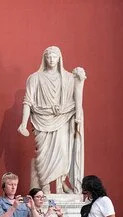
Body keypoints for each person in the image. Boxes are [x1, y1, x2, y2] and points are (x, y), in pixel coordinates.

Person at [18, 46, 86, 194]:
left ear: (59, 58)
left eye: (54, 56)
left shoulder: (68, 78)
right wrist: (23, 124)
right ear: (44, 58)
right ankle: (45, 188)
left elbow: (76, 100)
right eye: (48, 56)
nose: (51, 59)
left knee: (63, 153)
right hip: (41, 120)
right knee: (43, 156)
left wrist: (80, 82)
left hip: (62, 119)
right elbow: (28, 101)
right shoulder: (35, 78)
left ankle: (61, 186)